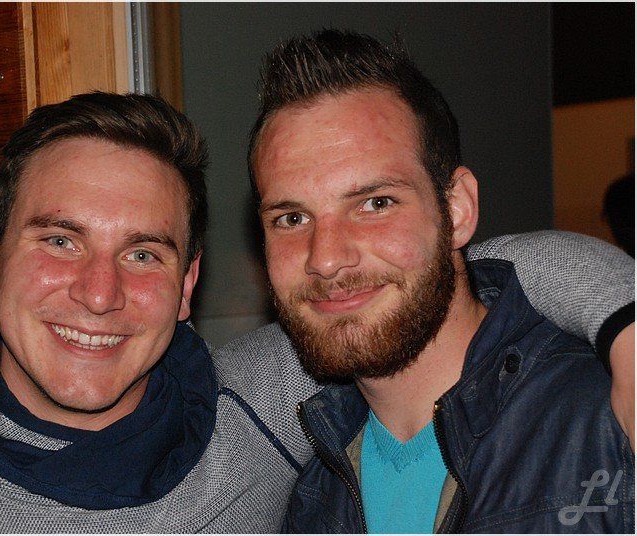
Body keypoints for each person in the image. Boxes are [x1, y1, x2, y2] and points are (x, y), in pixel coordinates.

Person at [0, 41, 634, 533]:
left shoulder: (248, 418)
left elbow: (477, 272)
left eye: (375, 203)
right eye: (59, 240)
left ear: (188, 284)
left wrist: (626, 321)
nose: (97, 292)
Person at [243, 30, 633, 532]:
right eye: (292, 218)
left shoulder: (608, 425)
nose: (327, 259)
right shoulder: (299, 492)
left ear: (457, 210)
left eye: (375, 204)